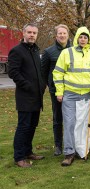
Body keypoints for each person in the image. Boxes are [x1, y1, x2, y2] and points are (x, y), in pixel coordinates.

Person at [53, 26, 90, 166]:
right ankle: (69, 153)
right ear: (76, 38)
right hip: (70, 95)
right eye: (81, 36)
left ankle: (82, 150)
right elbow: (58, 74)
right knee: (69, 124)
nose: (83, 39)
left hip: (87, 95)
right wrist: (59, 92)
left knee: (84, 124)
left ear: (89, 39)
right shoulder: (66, 53)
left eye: (85, 37)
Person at [8, 23, 45, 168]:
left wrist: (42, 85)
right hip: (25, 97)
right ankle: (19, 157)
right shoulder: (16, 51)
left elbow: (39, 71)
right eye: (29, 32)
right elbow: (13, 72)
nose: (32, 35)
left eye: (34, 33)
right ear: (23, 33)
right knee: (23, 126)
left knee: (32, 126)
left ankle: (28, 151)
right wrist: (28, 86)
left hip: (37, 96)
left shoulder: (35, 50)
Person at [41, 24, 71, 156]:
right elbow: (44, 72)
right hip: (56, 91)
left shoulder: (74, 50)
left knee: (71, 119)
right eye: (60, 33)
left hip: (72, 89)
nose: (62, 36)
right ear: (56, 35)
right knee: (58, 118)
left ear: (68, 35)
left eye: (64, 33)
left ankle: (72, 143)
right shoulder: (49, 52)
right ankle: (58, 145)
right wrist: (50, 86)